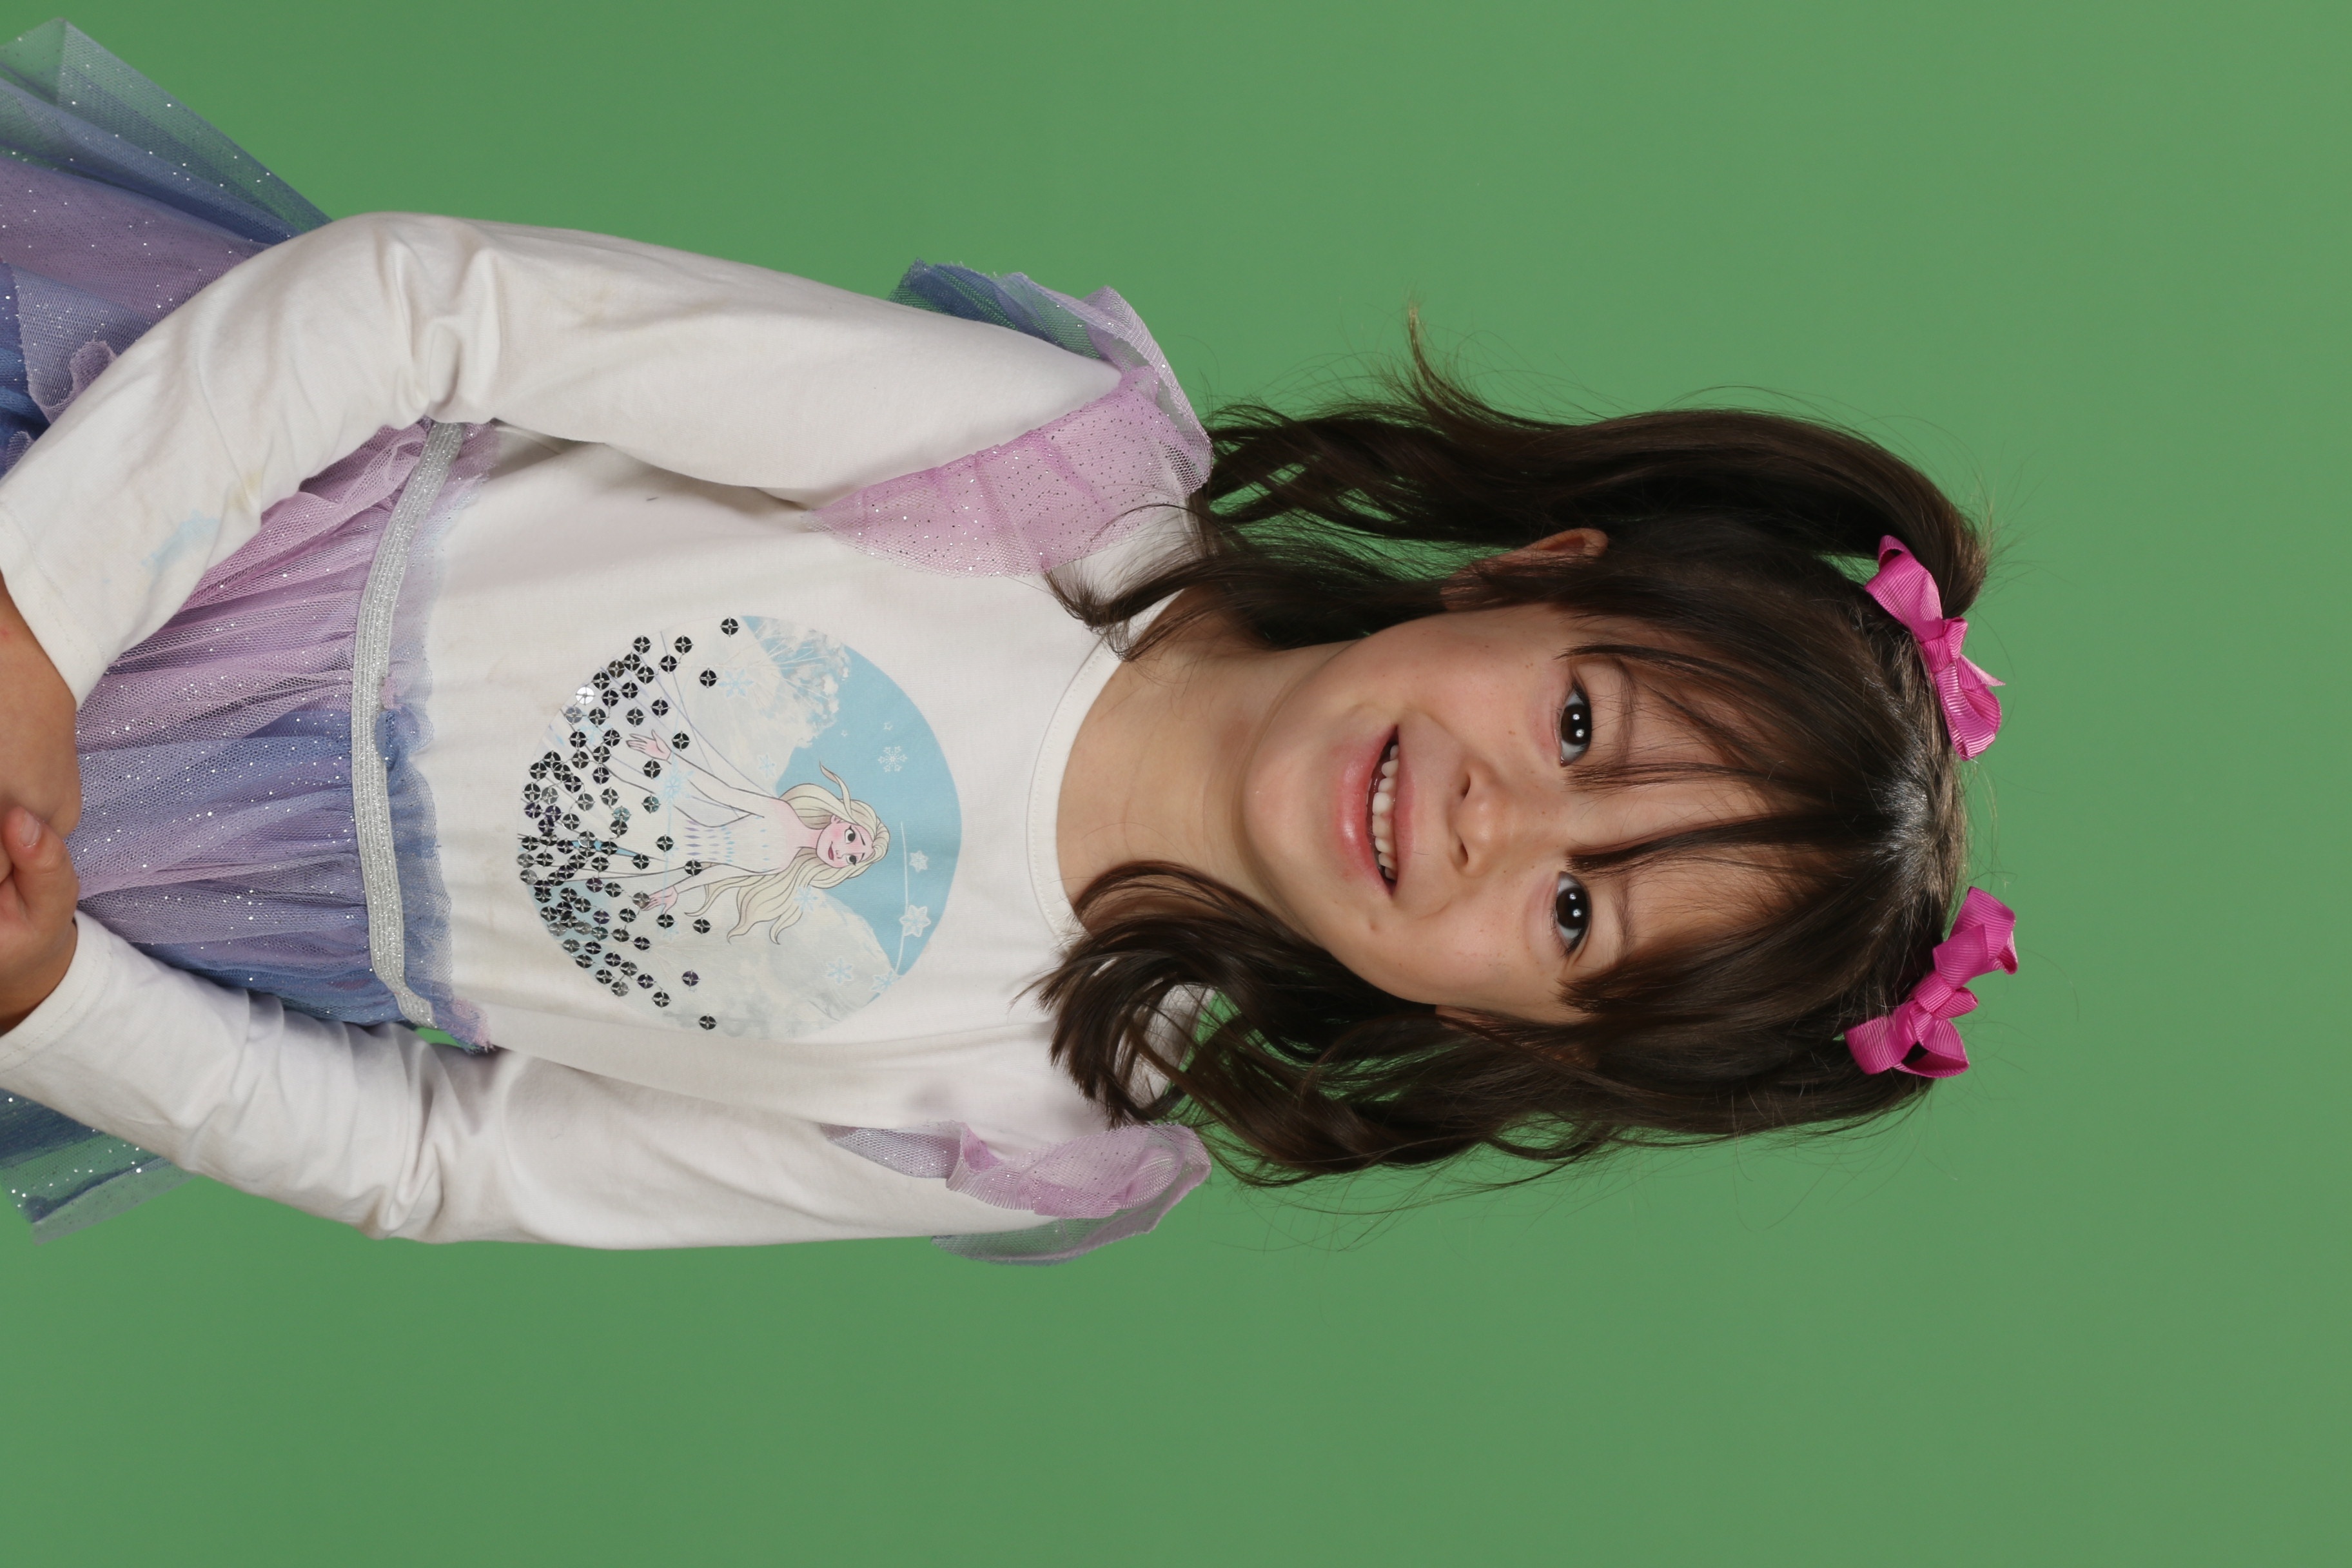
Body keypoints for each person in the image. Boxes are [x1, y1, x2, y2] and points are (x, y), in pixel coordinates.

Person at [0, 22, 2016, 1260]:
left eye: (1576, 917)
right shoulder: (1044, 482)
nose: (1499, 821)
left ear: (1524, 1034)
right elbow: (432, 307)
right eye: (1579, 726)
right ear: (1537, 572)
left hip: (122, 903)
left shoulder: (1026, 1123)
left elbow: (447, 1159)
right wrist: (45, 619)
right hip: (121, 494)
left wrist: (59, 993)